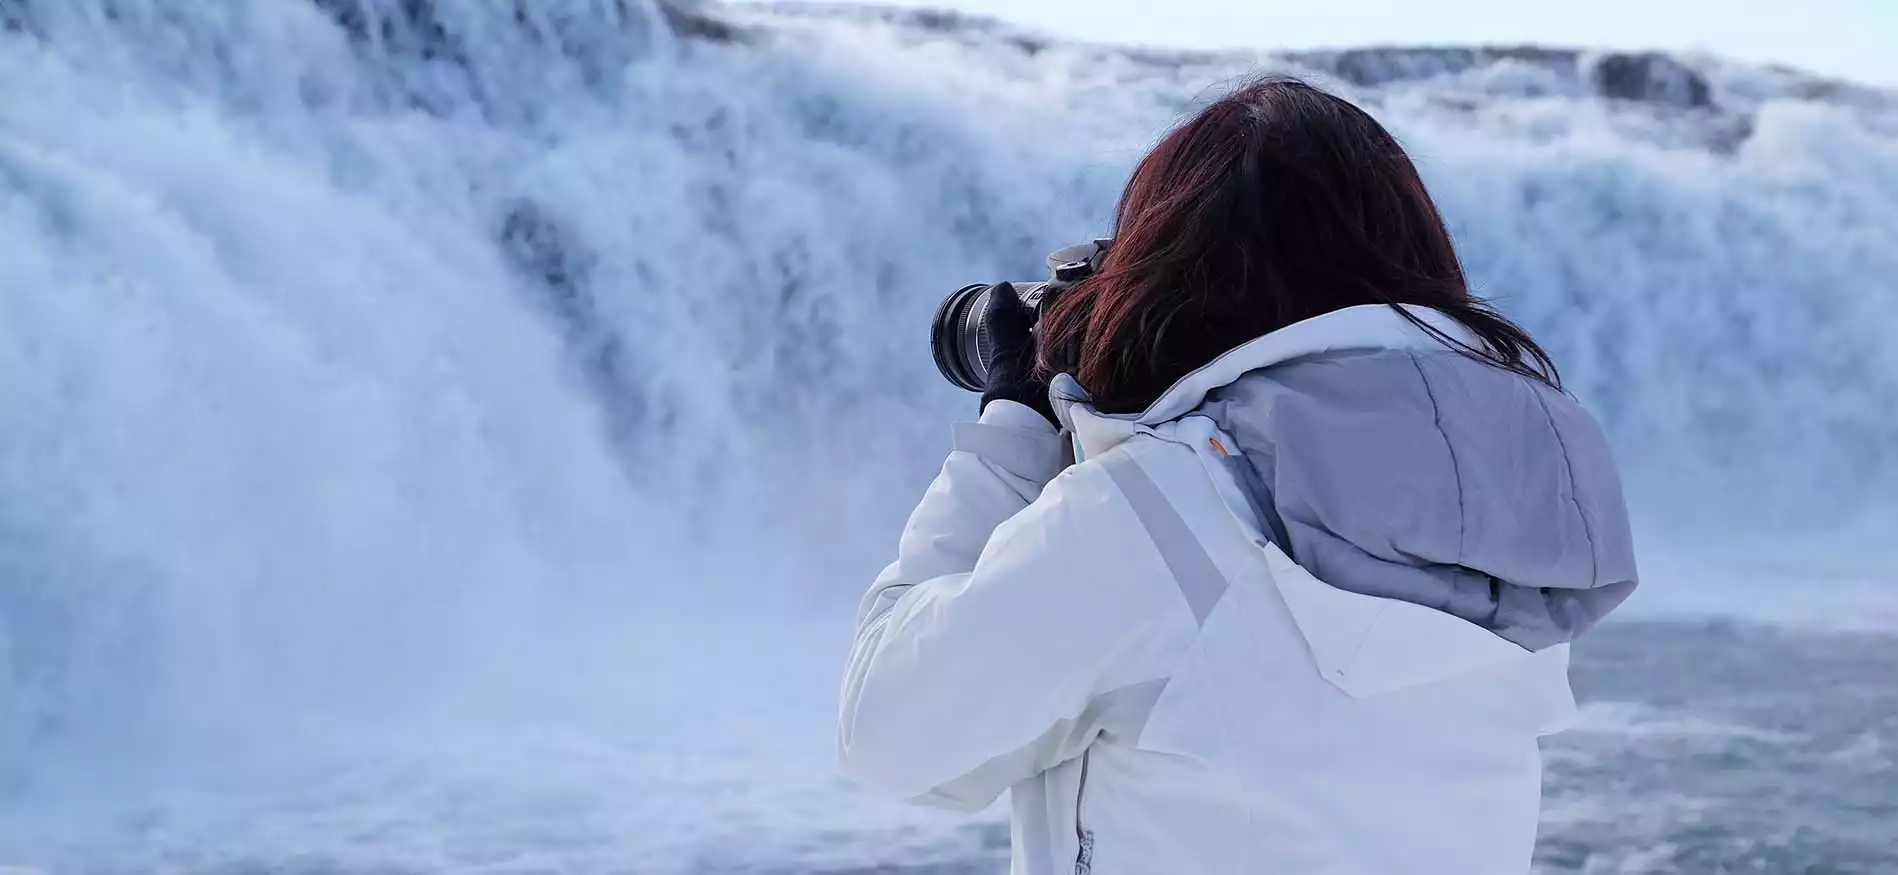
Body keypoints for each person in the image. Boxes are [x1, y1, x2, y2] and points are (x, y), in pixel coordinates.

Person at [838, 77, 1638, 875]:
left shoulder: (1162, 517)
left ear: (1174, 284)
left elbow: (891, 731)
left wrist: (1014, 420)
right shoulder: (1507, 505)